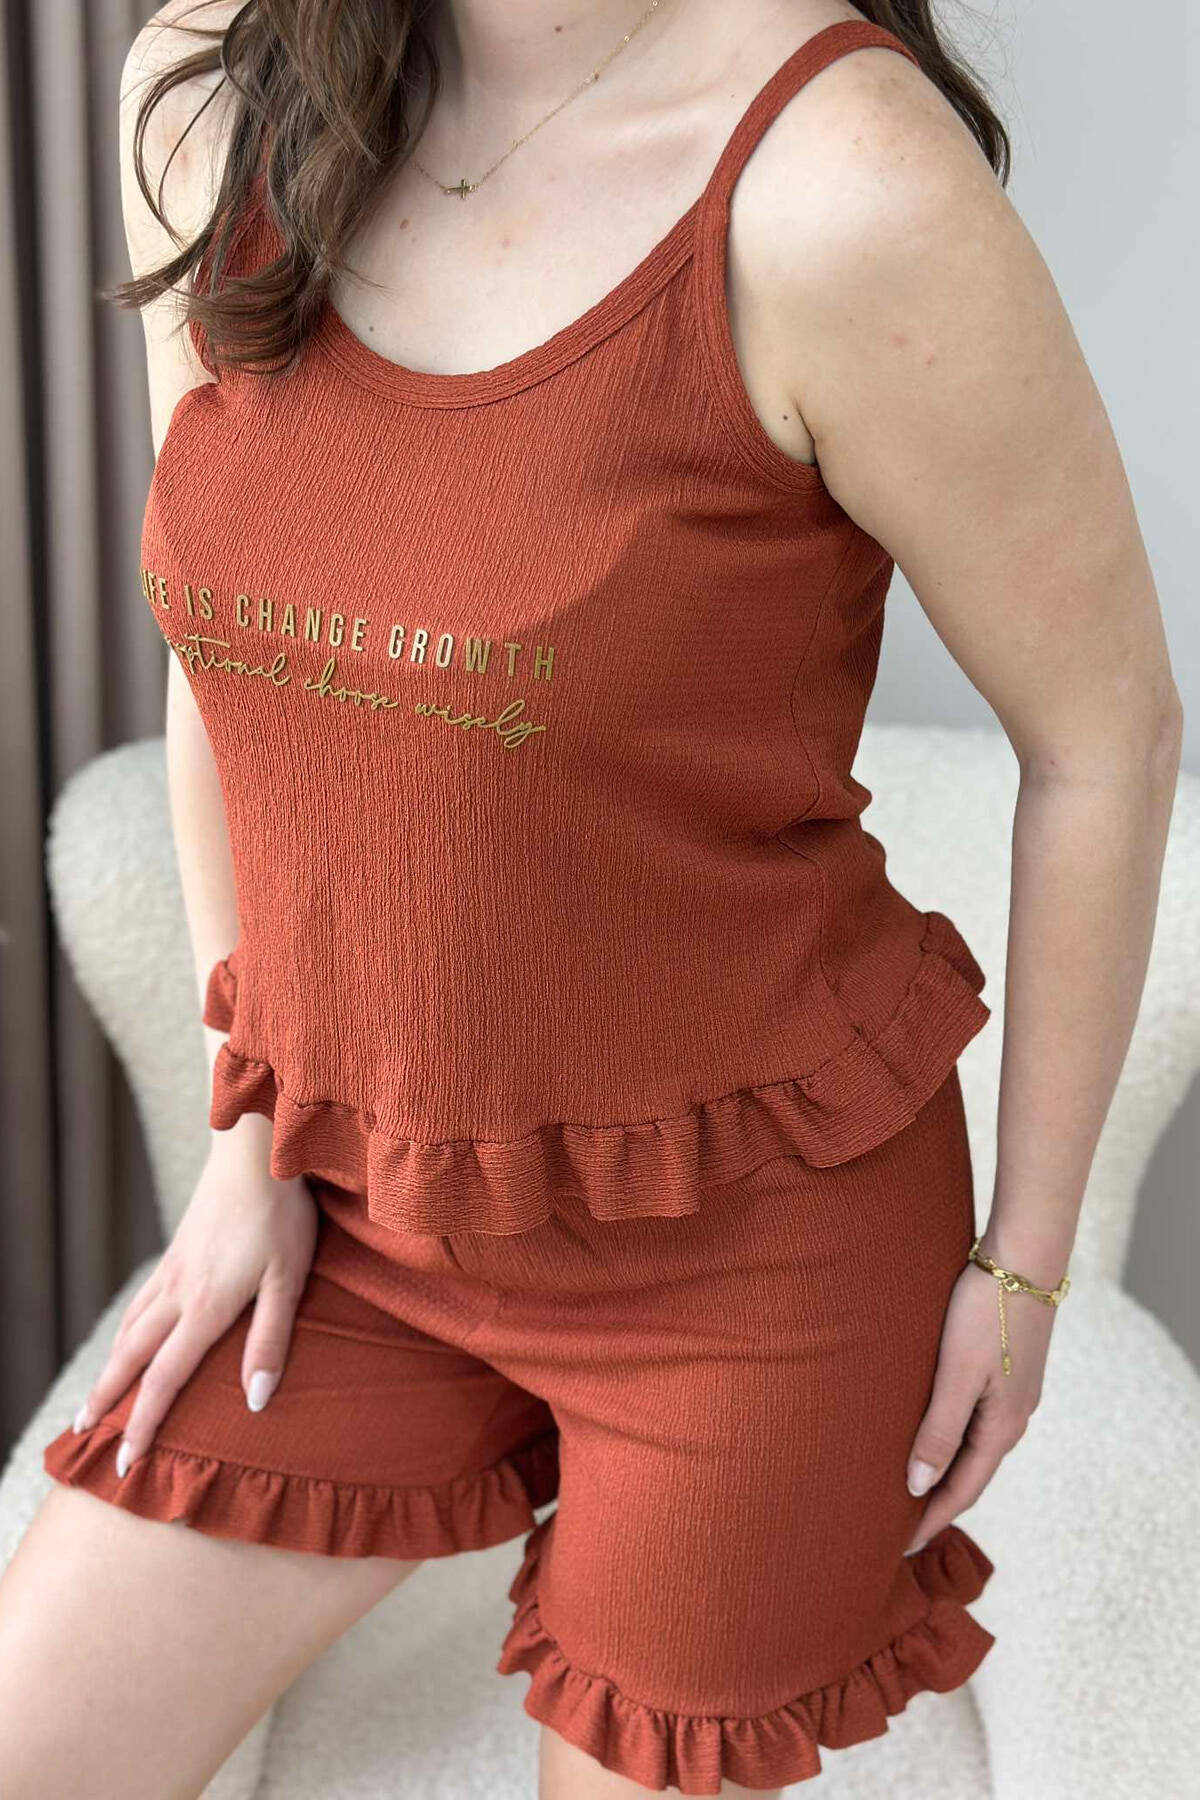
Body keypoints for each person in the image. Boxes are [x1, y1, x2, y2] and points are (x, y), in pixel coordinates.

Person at [0, 1, 1181, 1796]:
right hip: (358, 1196)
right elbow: (214, 666)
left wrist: (1025, 1269)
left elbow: (1106, 731)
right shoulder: (212, 90)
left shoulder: (841, 185)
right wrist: (248, 1142)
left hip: (752, 1265)